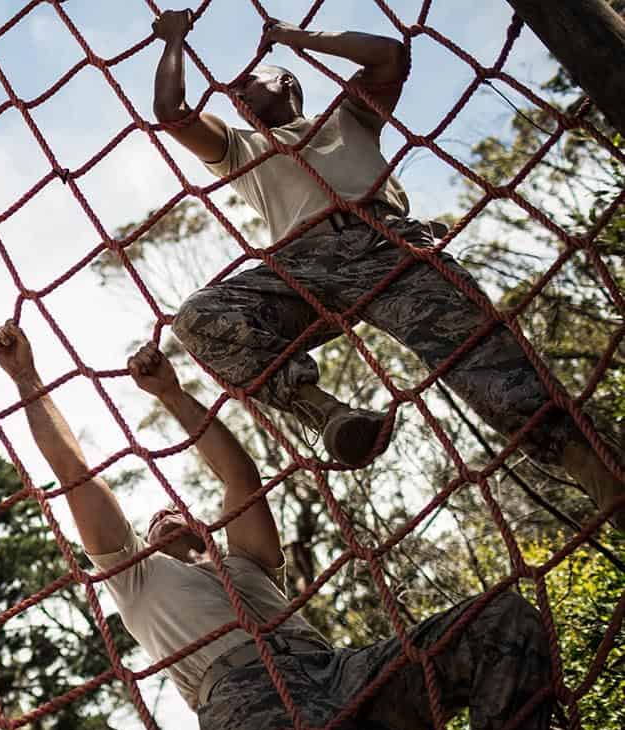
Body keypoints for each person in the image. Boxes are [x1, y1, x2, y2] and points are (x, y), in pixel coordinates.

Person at [0, 320, 625, 730]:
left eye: (173, 510)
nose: (162, 515)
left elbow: (239, 475)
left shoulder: (246, 567)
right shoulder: (134, 578)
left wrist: (174, 396)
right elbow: (74, 474)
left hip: (336, 674)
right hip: (248, 705)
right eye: (149, 518)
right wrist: (27, 381)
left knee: (499, 620)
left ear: (200, 525)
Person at [149, 9, 625, 528]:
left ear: (287, 81)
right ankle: (324, 412)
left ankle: (603, 479)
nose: (236, 94)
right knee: (199, 317)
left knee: (489, 364)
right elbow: (171, 113)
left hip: (387, 244)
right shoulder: (239, 145)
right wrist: (173, 40)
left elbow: (389, 56)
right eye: (233, 92)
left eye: (248, 82)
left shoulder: (346, 118)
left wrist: (295, 37)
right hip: (302, 265)